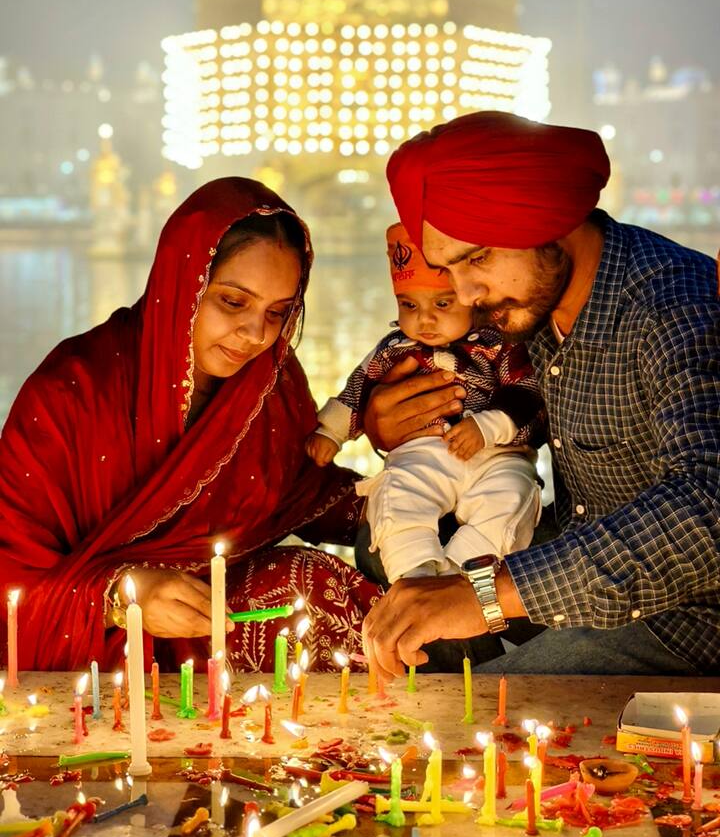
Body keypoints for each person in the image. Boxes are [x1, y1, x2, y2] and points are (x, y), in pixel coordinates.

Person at [361, 111, 720, 678]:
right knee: (381, 544)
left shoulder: (675, 307)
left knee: (478, 717)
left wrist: (486, 594)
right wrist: (390, 427)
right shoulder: (531, 310)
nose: (467, 293)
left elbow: (709, 506)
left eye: (477, 257)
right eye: (449, 269)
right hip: (576, 554)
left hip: (684, 616)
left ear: (549, 219)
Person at [0, 177, 379, 672]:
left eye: (279, 313)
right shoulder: (70, 392)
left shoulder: (272, 383)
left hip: (213, 624)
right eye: (233, 302)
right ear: (183, 283)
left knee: (314, 586)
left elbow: (300, 490)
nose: (256, 334)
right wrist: (121, 595)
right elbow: (12, 581)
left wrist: (411, 482)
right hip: (94, 643)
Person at [306, 222, 544, 584]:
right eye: (409, 305)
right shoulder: (396, 348)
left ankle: (463, 574)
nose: (425, 319)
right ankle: (413, 573)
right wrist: (332, 431)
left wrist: (488, 427)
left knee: (513, 496)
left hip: (498, 454)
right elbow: (360, 386)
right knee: (399, 493)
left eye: (443, 304)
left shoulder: (499, 343)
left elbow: (526, 388)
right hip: (424, 450)